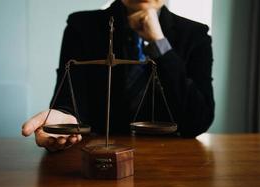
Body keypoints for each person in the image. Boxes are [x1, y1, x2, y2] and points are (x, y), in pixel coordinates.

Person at [22, 0, 215, 152]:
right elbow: (69, 98)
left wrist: (160, 43)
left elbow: (197, 121)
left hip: (168, 160)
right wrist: (63, 116)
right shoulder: (81, 27)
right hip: (95, 154)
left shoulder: (196, 35)